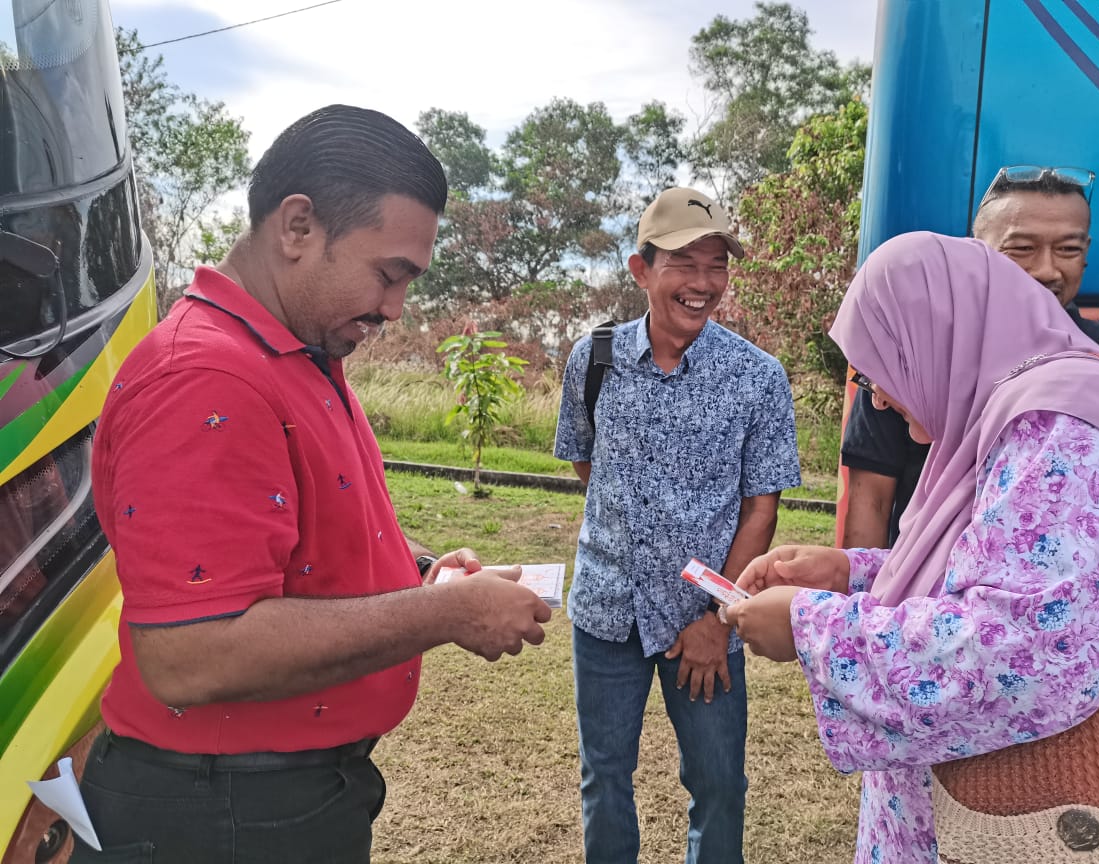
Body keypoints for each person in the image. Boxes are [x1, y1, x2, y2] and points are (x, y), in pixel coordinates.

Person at [74, 105, 553, 863]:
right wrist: (444, 615)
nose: (395, 308)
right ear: (297, 227)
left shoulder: (292, 355)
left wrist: (422, 574)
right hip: (220, 814)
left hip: (272, 797)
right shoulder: (207, 377)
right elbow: (192, 653)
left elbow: (307, 538)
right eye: (387, 275)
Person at [725, 231, 1099, 863]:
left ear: (933, 338)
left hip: (1010, 831)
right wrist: (852, 573)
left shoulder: (1062, 431)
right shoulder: (1012, 418)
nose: (878, 398)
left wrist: (811, 627)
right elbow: (996, 568)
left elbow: (1027, 653)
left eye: (881, 369)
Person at [554, 186, 801, 864]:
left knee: (718, 781)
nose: (703, 284)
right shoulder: (593, 359)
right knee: (604, 776)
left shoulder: (757, 377)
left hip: (706, 621)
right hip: (607, 613)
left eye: (716, 264)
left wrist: (715, 619)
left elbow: (761, 508)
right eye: (684, 263)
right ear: (641, 270)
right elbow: (587, 465)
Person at [841, 166, 1099, 549]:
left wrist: (824, 610)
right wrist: (851, 580)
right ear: (974, 258)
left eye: (1069, 249)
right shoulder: (914, 358)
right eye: (1021, 248)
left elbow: (1016, 602)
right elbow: (869, 502)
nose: (1046, 270)